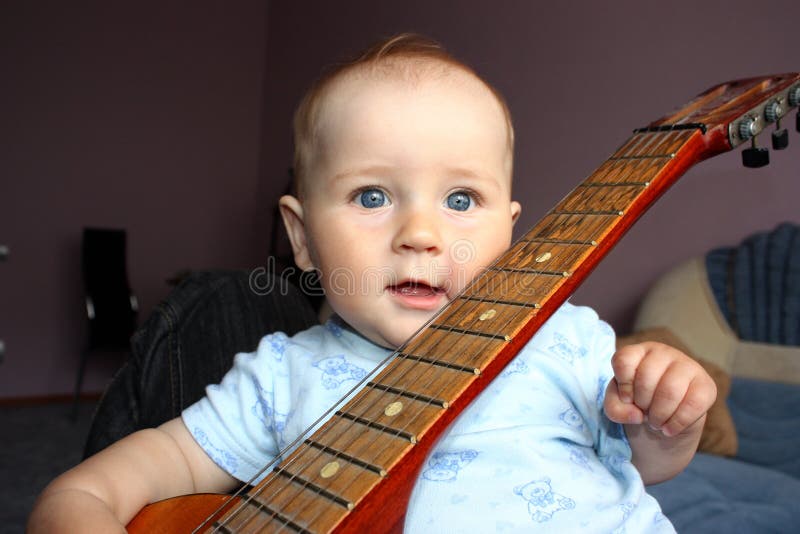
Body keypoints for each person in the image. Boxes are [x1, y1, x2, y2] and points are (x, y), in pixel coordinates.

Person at [28, 34, 716, 532]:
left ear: (511, 232)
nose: (421, 233)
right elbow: (114, 479)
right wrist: (75, 509)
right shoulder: (280, 378)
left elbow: (647, 464)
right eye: (371, 197)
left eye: (460, 201)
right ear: (300, 237)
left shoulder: (566, 340)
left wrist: (666, 415)